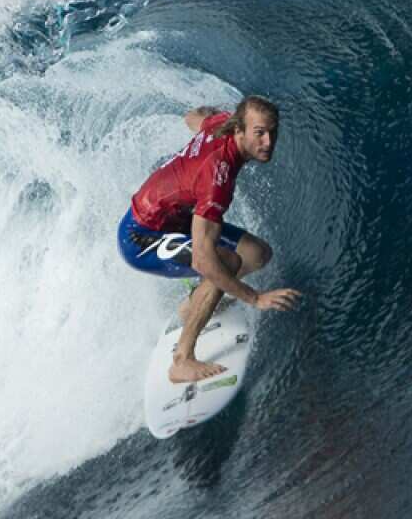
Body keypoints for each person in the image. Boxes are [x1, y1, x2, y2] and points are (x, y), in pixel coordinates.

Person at [117, 96, 301, 383]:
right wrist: (254, 298)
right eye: (259, 133)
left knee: (256, 254)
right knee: (223, 261)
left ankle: (193, 305)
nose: (268, 141)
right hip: (141, 235)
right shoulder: (218, 178)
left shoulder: (221, 123)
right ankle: (182, 359)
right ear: (239, 130)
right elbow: (204, 260)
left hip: (174, 220)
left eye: (272, 132)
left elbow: (194, 116)